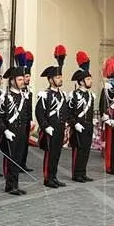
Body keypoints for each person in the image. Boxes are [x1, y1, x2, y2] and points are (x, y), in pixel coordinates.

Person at [36, 46, 69, 188]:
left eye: (60, 77)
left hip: (60, 128)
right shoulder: (45, 95)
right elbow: (39, 113)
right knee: (49, 155)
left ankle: (54, 176)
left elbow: (65, 111)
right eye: (57, 77)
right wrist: (46, 127)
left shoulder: (62, 94)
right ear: (50, 80)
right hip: (50, 129)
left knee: (57, 154)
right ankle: (47, 178)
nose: (60, 79)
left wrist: (66, 124)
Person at [0, 66, 30, 195]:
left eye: (23, 79)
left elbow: (26, 114)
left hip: (21, 132)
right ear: (12, 81)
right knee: (10, 160)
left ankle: (15, 184)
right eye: (19, 79)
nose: (22, 81)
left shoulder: (23, 96)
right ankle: (9, 185)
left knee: (17, 159)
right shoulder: (5, 97)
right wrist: (4, 130)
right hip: (10, 132)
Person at [68, 68, 95, 183]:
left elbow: (91, 110)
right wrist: (75, 124)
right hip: (78, 126)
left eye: (90, 79)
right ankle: (76, 174)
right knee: (78, 151)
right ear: (81, 82)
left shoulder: (91, 95)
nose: (91, 81)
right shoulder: (73, 95)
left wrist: (93, 120)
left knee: (86, 151)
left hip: (88, 126)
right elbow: (68, 113)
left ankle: (83, 172)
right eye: (88, 79)